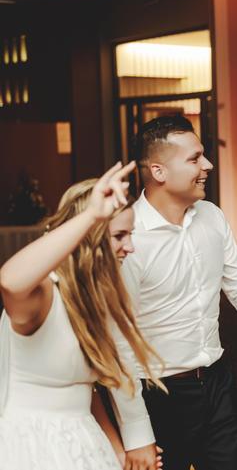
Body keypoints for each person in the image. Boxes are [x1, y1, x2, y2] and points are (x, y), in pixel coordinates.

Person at [113, 115, 237, 470]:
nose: (208, 165)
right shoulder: (127, 239)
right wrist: (136, 433)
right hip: (158, 394)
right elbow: (117, 343)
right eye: (194, 158)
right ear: (158, 171)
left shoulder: (211, 216)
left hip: (218, 384)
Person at [0, 164, 165, 470]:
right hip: (32, 444)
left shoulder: (95, 301)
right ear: (89, 236)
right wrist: (91, 215)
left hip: (84, 440)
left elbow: (84, 391)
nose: (130, 247)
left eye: (130, 235)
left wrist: (118, 454)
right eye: (119, 236)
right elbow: (9, 281)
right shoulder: (43, 295)